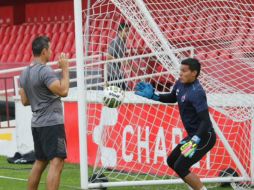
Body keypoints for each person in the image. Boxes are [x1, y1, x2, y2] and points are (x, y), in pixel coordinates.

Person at [134, 58, 216, 190]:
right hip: (193, 136)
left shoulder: (197, 92)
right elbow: (173, 97)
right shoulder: (180, 83)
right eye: (180, 70)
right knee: (171, 161)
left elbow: (205, 121)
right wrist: (154, 96)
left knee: (180, 166)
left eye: (184, 71)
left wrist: (195, 140)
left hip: (204, 137)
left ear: (194, 73)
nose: (180, 74)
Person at [19, 36, 69, 190]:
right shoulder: (45, 71)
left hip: (37, 124)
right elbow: (64, 91)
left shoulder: (24, 73)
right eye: (50, 49)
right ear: (44, 51)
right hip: (51, 123)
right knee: (57, 161)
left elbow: (25, 101)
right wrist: (65, 69)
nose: (52, 52)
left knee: (40, 161)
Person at [107, 23, 129, 90]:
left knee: (122, 92)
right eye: (125, 31)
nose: (127, 33)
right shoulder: (116, 41)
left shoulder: (123, 42)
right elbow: (108, 56)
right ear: (119, 32)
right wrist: (120, 60)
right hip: (112, 73)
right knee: (123, 91)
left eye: (128, 31)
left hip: (117, 72)